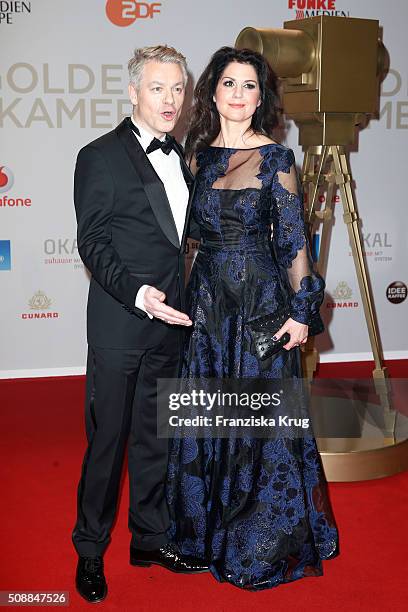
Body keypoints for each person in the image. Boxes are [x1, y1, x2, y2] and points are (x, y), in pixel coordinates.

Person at [166, 46, 339, 591]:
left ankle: (259, 536)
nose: (239, 95)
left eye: (250, 86)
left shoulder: (276, 159)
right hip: (207, 305)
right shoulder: (195, 158)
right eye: (230, 84)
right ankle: (206, 530)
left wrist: (303, 310)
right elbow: (188, 241)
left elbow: (292, 244)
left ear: (261, 99)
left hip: (261, 305)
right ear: (212, 91)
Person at [72, 45, 208, 604]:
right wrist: (137, 294)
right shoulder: (99, 155)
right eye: (158, 88)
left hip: (170, 326)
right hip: (121, 324)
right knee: (108, 443)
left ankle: (148, 538)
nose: (171, 99)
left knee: (158, 440)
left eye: (178, 88)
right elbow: (93, 242)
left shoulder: (185, 156)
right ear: (133, 92)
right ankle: (88, 551)